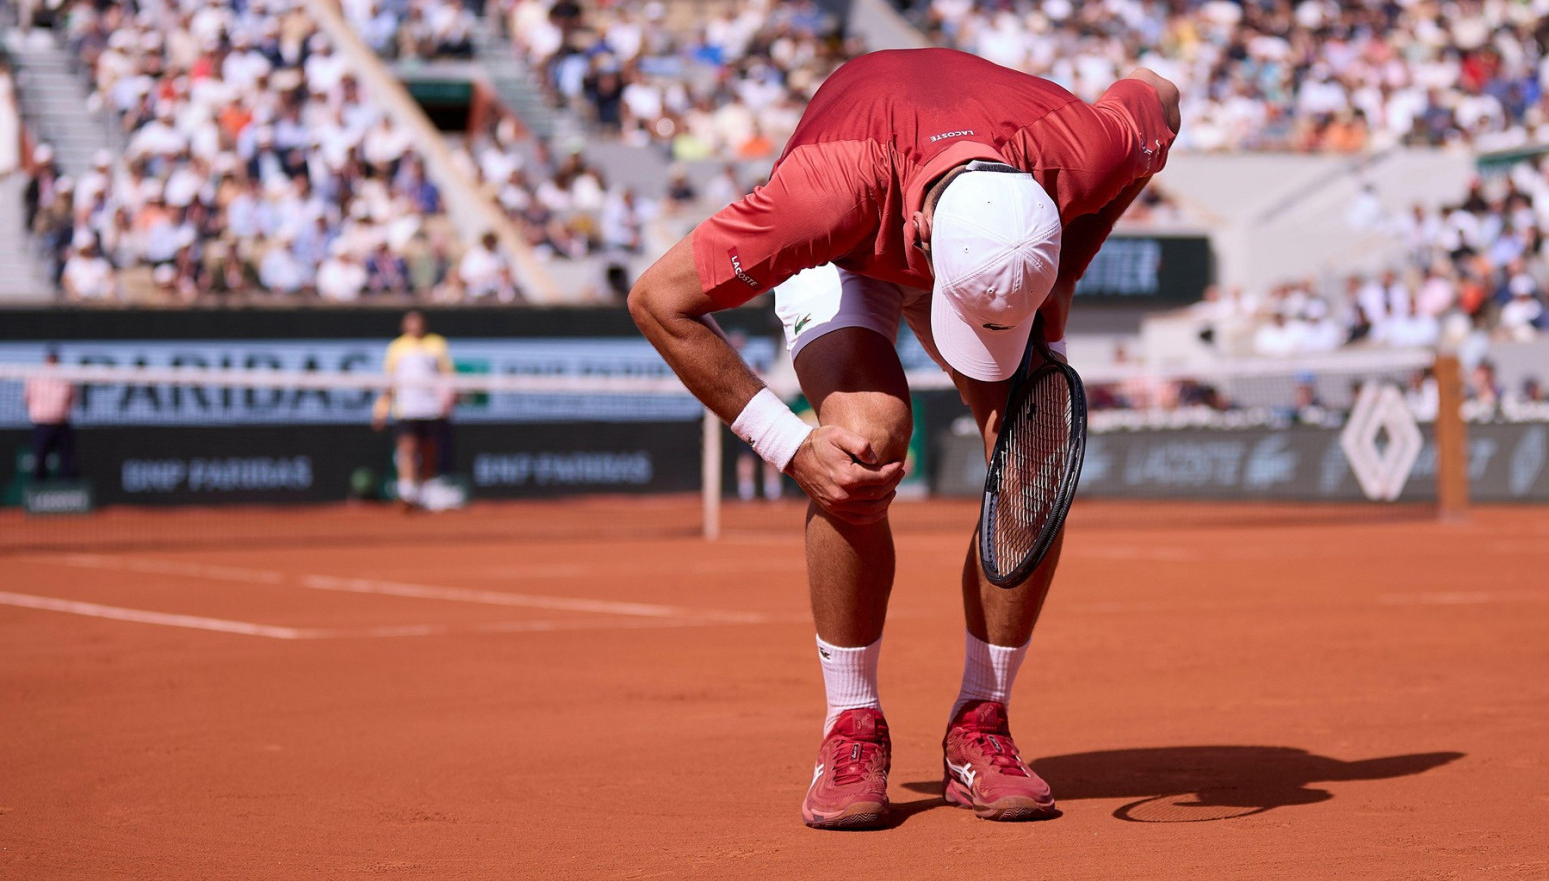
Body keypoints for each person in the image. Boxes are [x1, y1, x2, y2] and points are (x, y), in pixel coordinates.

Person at [629, 48, 1179, 830]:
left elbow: (1160, 97)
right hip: (847, 247)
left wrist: (1066, 270)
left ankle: (979, 725)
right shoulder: (817, 195)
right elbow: (656, 299)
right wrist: (788, 445)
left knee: (1034, 449)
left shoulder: (1075, 153)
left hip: (976, 225)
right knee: (860, 444)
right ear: (918, 234)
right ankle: (849, 724)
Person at [372, 310, 454, 509]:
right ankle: (407, 494)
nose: (414, 327)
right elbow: (389, 381)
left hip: (431, 409)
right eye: (410, 323)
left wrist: (447, 401)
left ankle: (424, 494)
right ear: (404, 326)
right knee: (407, 448)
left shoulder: (437, 344)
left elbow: (447, 375)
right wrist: (381, 409)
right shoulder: (396, 348)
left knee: (428, 451)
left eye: (418, 323)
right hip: (406, 409)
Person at [24, 350, 77, 482]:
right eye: (50, 360)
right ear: (46, 360)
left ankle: (68, 489)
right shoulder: (36, 376)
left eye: (54, 360)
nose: (52, 363)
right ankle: (38, 490)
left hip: (61, 423)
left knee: (67, 459)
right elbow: (27, 398)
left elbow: (73, 397)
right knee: (40, 459)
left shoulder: (66, 377)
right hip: (42, 423)